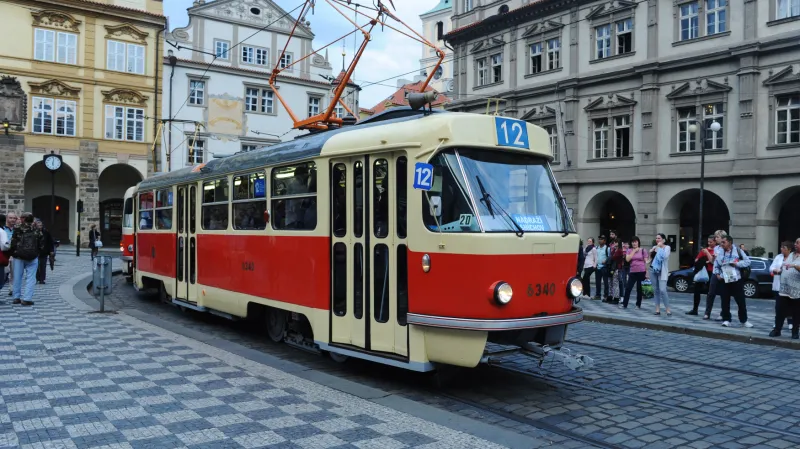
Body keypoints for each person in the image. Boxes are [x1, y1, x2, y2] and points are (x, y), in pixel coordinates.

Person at [714, 235, 753, 328]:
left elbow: (748, 261)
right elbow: (716, 264)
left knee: (740, 301)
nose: (722, 244)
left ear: (730, 242)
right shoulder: (720, 252)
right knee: (725, 300)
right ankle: (726, 319)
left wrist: (737, 264)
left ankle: (744, 320)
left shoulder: (738, 251)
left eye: (724, 242)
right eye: (721, 242)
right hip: (724, 279)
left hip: (736, 279)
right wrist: (717, 274)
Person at [9, 212, 43, 306]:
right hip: (32, 256)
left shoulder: (17, 228)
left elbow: (13, 242)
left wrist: (13, 253)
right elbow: (41, 243)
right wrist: (37, 252)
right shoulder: (36, 229)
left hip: (18, 256)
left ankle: (16, 297)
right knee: (31, 277)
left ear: (23, 219)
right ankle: (27, 298)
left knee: (17, 277)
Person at [773, 238, 800, 339]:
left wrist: (795, 265)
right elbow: (785, 267)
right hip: (784, 289)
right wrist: (779, 271)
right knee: (780, 311)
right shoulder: (791, 255)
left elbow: (794, 267)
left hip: (796, 290)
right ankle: (777, 330)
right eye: (795, 242)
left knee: (796, 313)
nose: (795, 244)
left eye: (798, 243)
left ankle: (795, 332)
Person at [769, 241, 794, 337]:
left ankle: (791, 322)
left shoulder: (793, 257)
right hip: (778, 285)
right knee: (779, 307)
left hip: (789, 286)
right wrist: (775, 270)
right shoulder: (778, 257)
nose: (781, 249)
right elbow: (771, 268)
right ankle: (777, 324)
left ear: (789, 249)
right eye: (781, 247)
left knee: (790, 306)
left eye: (784, 248)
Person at [687, 235, 716, 315]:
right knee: (697, 290)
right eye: (708, 242)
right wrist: (704, 260)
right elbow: (697, 259)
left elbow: (714, 261)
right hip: (702, 271)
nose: (709, 243)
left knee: (710, 292)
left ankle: (707, 311)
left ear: (715, 242)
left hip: (711, 272)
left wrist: (707, 257)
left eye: (711, 242)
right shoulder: (704, 250)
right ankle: (695, 309)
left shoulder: (716, 250)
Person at [621, 236, 649, 309]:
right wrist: (633, 251)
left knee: (639, 289)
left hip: (641, 271)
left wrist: (647, 272)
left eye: (635, 242)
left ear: (638, 242)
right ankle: (624, 304)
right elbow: (627, 259)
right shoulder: (629, 250)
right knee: (628, 288)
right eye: (633, 242)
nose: (634, 243)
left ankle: (638, 305)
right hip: (632, 271)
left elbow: (646, 262)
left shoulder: (643, 250)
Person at [650, 233, 672, 316]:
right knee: (656, 290)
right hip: (653, 270)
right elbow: (651, 258)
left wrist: (659, 248)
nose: (657, 240)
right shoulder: (654, 247)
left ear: (663, 240)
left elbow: (664, 256)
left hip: (662, 271)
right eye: (656, 238)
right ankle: (657, 309)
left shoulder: (667, 248)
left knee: (663, 290)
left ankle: (668, 309)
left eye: (659, 238)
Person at [34, 219, 55, 284]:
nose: (40, 226)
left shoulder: (46, 232)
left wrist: (51, 250)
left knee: (43, 265)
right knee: (36, 266)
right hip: (35, 252)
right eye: (38, 225)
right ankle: (36, 278)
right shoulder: (33, 232)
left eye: (41, 225)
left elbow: (50, 242)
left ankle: (42, 279)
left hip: (44, 252)